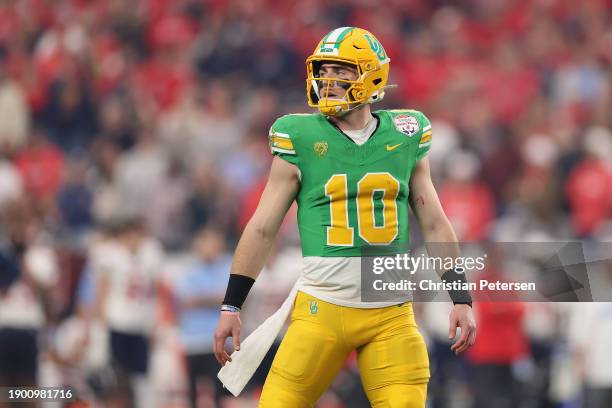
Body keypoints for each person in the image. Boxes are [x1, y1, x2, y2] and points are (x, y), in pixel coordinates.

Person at [213, 27, 476, 407]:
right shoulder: (298, 135)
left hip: (391, 314)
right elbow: (263, 227)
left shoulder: (406, 133)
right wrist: (231, 305)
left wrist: (461, 297)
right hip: (322, 309)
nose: (328, 80)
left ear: (372, 75)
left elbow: (434, 221)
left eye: (342, 71)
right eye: (324, 70)